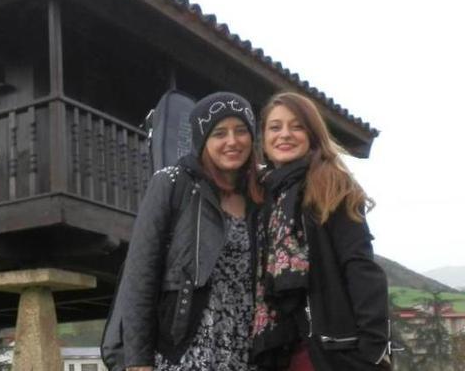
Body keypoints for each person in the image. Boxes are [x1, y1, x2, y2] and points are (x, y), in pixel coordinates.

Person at [112, 92, 262, 371]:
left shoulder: (259, 196)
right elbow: (139, 275)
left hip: (246, 348)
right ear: (203, 140)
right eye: (219, 133)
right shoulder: (172, 184)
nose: (232, 141)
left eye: (241, 131)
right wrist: (138, 361)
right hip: (187, 349)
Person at [250, 92, 390, 370]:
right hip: (279, 349)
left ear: (312, 134)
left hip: (330, 351)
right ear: (263, 139)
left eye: (297, 126)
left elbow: (360, 267)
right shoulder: (262, 197)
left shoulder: (331, 185)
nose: (285, 134)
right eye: (275, 127)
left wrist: (373, 350)